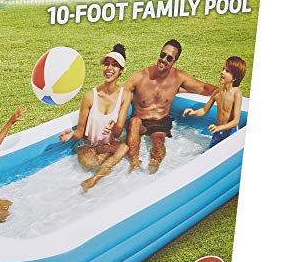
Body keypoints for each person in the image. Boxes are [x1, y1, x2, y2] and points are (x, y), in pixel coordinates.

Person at [124, 39, 217, 174]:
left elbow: (203, 88)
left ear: (174, 61)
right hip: (139, 122)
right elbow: (119, 97)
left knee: (158, 145)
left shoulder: (178, 77)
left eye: (169, 58)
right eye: (162, 55)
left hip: (160, 123)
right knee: (134, 122)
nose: (163, 59)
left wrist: (224, 92)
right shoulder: (139, 77)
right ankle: (134, 164)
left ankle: (152, 173)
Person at [59, 44, 131, 191]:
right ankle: (103, 168)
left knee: (124, 147)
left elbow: (118, 133)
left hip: (108, 145)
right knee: (91, 164)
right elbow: (80, 133)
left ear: (121, 70)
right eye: (107, 64)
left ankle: (94, 179)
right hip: (89, 146)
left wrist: (114, 126)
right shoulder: (90, 96)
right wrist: (71, 134)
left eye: (115, 65)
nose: (109, 68)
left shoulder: (125, 96)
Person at [183, 56, 246, 148]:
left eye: (227, 71)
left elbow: (236, 121)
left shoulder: (236, 94)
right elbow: (204, 110)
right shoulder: (217, 93)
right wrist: (193, 112)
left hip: (230, 133)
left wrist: (219, 128)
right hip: (218, 132)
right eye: (223, 69)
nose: (222, 72)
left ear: (234, 78)